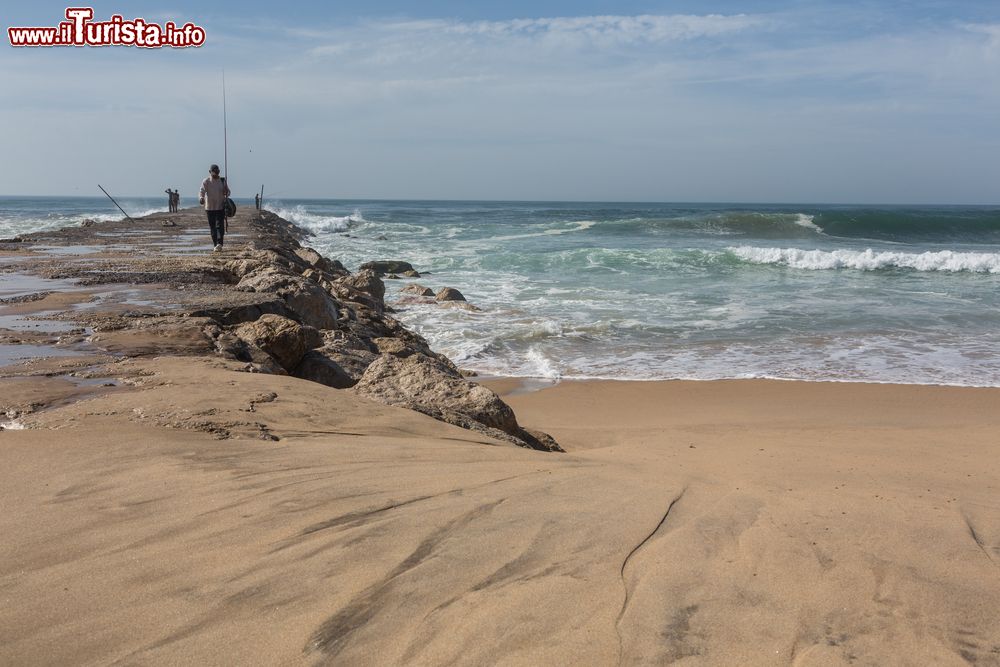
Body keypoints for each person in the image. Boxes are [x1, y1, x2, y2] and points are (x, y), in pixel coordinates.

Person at [199, 165, 230, 252]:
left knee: (219, 226)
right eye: (214, 171)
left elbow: (228, 192)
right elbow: (202, 191)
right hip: (209, 208)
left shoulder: (222, 181)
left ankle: (220, 243)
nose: (216, 173)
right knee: (212, 227)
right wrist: (201, 198)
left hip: (220, 207)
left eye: (217, 171)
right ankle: (215, 244)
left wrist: (226, 192)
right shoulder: (206, 181)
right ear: (210, 172)